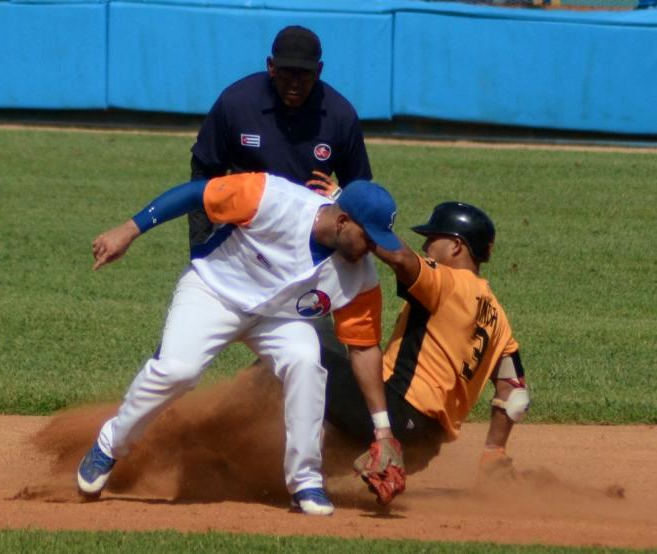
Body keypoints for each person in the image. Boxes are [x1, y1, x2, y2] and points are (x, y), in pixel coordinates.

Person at [76, 173, 404, 515]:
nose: (374, 249)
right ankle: (109, 445)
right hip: (214, 292)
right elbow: (196, 194)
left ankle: (306, 480)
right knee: (178, 370)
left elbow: (364, 347)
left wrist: (383, 430)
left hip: (281, 319)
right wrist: (130, 229)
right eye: (369, 238)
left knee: (306, 362)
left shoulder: (361, 278)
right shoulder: (271, 198)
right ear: (342, 221)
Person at [322, 201, 530, 479]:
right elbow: (514, 393)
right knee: (314, 456)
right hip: (423, 448)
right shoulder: (499, 318)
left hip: (392, 414)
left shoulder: (449, 281)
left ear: (456, 246)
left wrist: (356, 213)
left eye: (432, 240)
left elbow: (402, 259)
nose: (425, 248)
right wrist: (495, 449)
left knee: (301, 346)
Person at [187, 25, 372, 248]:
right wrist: (200, 244)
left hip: (307, 237)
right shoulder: (236, 103)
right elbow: (204, 172)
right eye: (287, 73)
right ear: (271, 67)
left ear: (319, 71)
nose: (294, 84)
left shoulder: (340, 116)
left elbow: (360, 189)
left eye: (304, 75)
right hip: (241, 232)